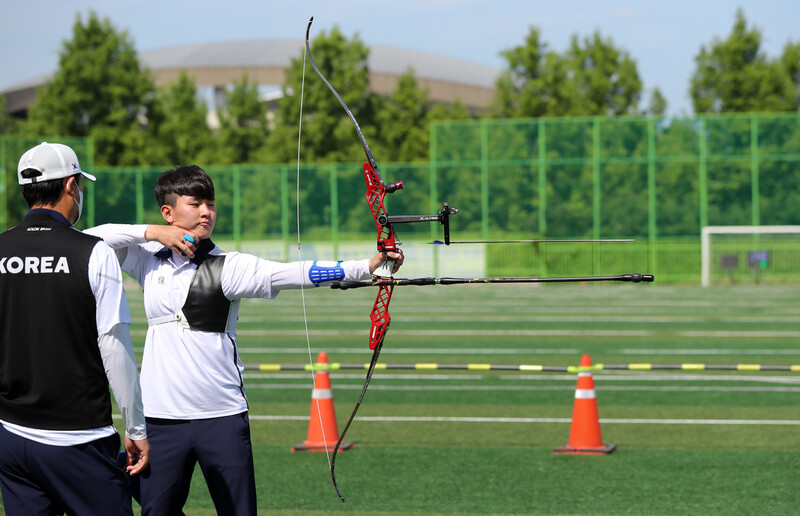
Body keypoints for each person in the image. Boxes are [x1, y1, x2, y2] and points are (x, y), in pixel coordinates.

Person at [85, 165, 403, 516]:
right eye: (195, 203)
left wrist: (366, 265)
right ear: (168, 212)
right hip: (161, 420)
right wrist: (152, 233)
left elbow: (292, 273)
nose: (207, 212)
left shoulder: (230, 266)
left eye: (211, 204)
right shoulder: (146, 259)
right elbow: (89, 239)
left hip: (221, 416)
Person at [0, 142, 150, 515]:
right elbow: (115, 348)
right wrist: (137, 428)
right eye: (79, 185)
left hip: (11, 437)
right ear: (70, 186)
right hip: (79, 439)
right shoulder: (93, 251)